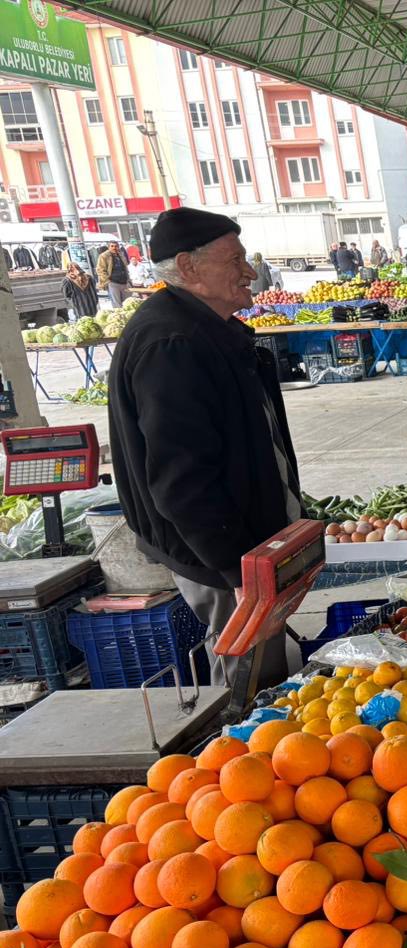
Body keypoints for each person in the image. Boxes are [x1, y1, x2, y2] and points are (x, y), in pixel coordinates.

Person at [107, 207, 300, 691]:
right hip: (222, 548)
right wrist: (236, 566)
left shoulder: (203, 328)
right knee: (249, 670)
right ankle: (242, 754)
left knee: (264, 660)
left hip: (244, 541)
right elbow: (182, 479)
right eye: (234, 260)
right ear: (188, 268)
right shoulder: (172, 343)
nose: (249, 272)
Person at [98, 240, 130, 307]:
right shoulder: (104, 256)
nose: (114, 248)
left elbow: (125, 267)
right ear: (109, 247)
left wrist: (128, 279)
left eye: (116, 246)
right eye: (112, 246)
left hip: (124, 282)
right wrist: (107, 281)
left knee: (127, 303)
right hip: (113, 283)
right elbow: (100, 270)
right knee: (117, 304)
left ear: (118, 247)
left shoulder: (121, 254)